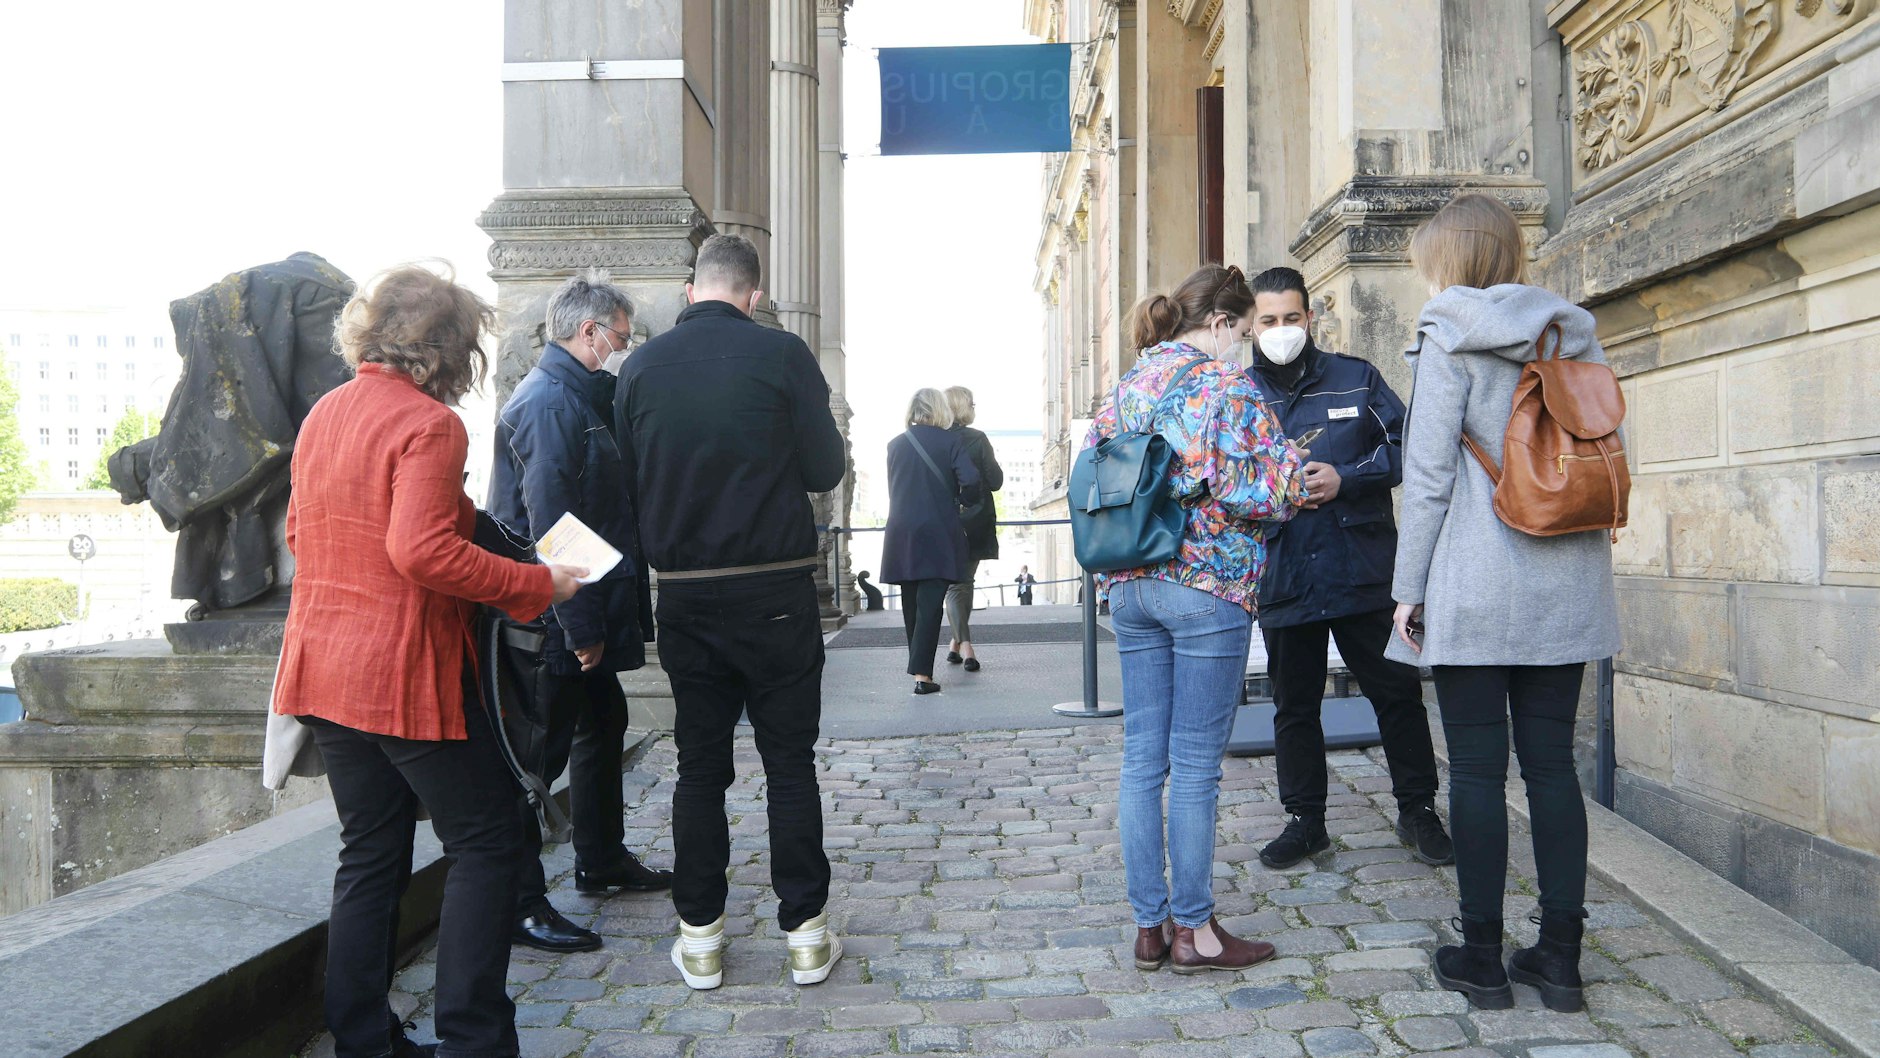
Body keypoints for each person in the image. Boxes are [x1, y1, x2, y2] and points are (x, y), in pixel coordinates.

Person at [272, 266, 586, 1058]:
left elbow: (301, 538)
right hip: (402, 677)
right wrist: (534, 581)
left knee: (370, 851)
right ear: (451, 349)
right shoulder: (431, 424)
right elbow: (418, 551)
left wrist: (478, 528)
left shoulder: (325, 413)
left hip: (323, 673)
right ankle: (474, 1041)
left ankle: (364, 1040)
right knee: (488, 842)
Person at [1387, 194, 1621, 1013]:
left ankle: (1481, 959)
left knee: (1479, 773)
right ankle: (1560, 960)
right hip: (1567, 578)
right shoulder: (1572, 331)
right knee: (1553, 769)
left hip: (1476, 583)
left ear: (1447, 261)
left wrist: (1406, 591)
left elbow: (1427, 481)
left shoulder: (1445, 333)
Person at [614, 233, 847, 991]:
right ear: (753, 294)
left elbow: (628, 483)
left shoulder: (640, 368)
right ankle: (806, 933)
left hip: (685, 590)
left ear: (691, 291)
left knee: (699, 767)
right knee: (788, 763)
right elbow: (823, 469)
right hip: (776, 588)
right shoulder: (782, 356)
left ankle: (702, 936)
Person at [1086, 264, 1307, 974]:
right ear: (1220, 323)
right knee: (1195, 767)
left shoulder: (1125, 388)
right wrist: (1293, 473)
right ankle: (1195, 931)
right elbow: (1265, 493)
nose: (1243, 346)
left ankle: (1148, 928)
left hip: (1131, 585)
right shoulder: (1225, 386)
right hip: (1205, 586)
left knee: (1142, 758)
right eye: (1243, 331)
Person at [1243, 266, 1453, 871]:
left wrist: (1347, 478)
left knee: (1396, 693)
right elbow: (1218, 478)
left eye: (1290, 318)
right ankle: (1305, 819)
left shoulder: (1356, 378)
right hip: (1285, 569)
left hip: (1362, 568)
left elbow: (1408, 446)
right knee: (1294, 704)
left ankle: (1418, 810)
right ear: (1253, 326)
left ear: (1309, 318)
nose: (1281, 330)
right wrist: (1274, 488)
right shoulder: (1239, 394)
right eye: (1269, 321)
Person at [489, 270, 673, 955]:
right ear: (591, 332)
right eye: (623, 336)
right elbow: (551, 520)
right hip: (554, 617)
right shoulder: (548, 403)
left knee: (604, 723)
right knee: (542, 757)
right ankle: (520, 902)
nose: (626, 347)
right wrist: (583, 625)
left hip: (573, 606)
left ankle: (601, 860)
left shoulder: (576, 396)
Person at [881, 388, 981, 695]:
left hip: (901, 531)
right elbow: (972, 481)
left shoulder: (895, 445)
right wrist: (964, 499)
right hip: (938, 530)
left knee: (911, 604)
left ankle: (918, 670)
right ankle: (922, 676)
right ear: (940, 410)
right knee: (930, 604)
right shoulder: (951, 441)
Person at [943, 386, 1003, 672]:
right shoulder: (977, 439)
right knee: (961, 582)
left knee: (960, 583)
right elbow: (995, 480)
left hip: (942, 519)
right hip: (976, 519)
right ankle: (967, 648)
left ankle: (954, 643)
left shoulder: (936, 440)